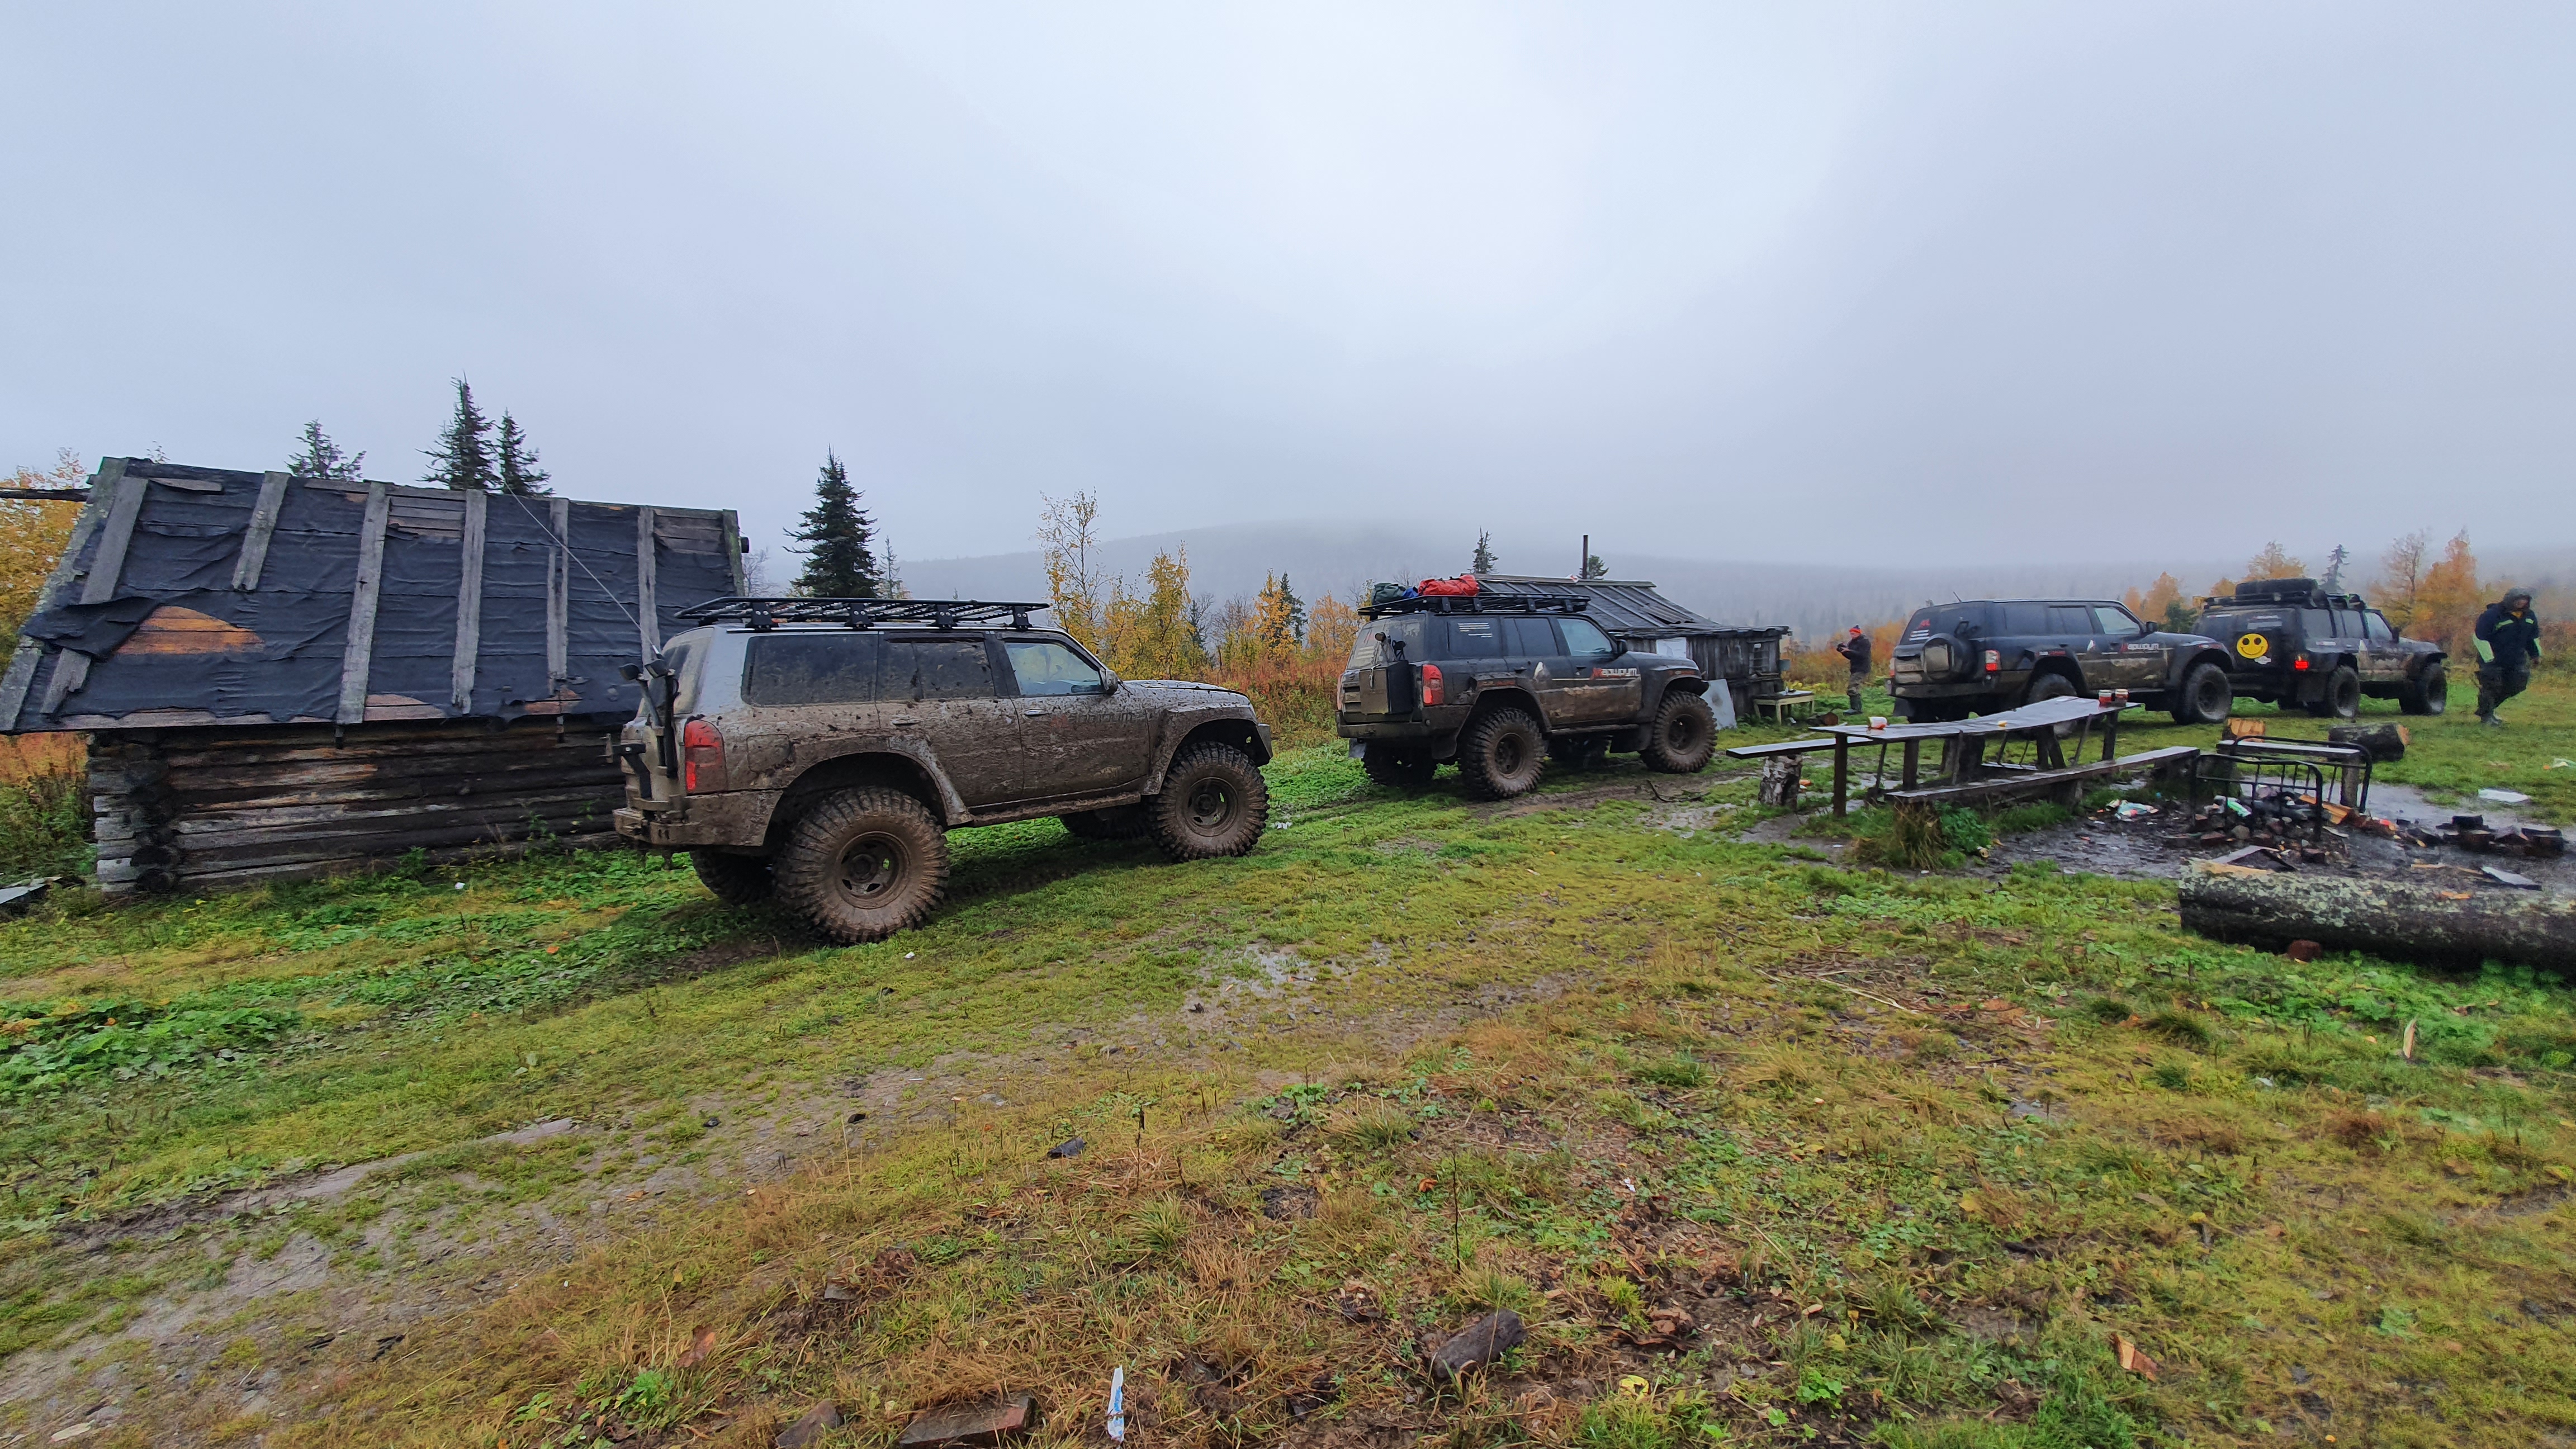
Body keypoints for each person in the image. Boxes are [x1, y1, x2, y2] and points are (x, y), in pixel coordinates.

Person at [2474, 588, 2542, 727]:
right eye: (2519, 600)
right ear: (2510, 600)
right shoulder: (2492, 615)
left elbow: (2532, 638)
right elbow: (2480, 637)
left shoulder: (2529, 616)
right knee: (2491, 687)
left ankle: (2488, 709)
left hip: (2517, 660)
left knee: (2517, 685)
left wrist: (2535, 655)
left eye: (2525, 601)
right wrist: (2489, 659)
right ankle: (2487, 716)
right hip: (2493, 659)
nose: (2522, 603)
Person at [1832, 624, 1872, 714]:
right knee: (1853, 687)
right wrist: (1842, 651)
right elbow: (1851, 656)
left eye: (1854, 633)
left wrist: (1849, 651)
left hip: (1862, 668)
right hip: (1854, 668)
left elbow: (1863, 655)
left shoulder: (1865, 642)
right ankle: (1856, 708)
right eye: (1851, 633)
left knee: (1852, 687)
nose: (1852, 635)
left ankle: (1856, 709)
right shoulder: (1852, 643)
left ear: (1859, 633)